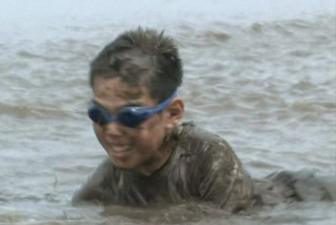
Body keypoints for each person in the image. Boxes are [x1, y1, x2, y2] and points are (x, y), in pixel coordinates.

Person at [72, 28, 333, 212]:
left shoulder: (207, 156)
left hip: (302, 195)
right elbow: (76, 211)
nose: (112, 130)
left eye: (129, 116)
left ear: (172, 114)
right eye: (99, 114)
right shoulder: (109, 178)